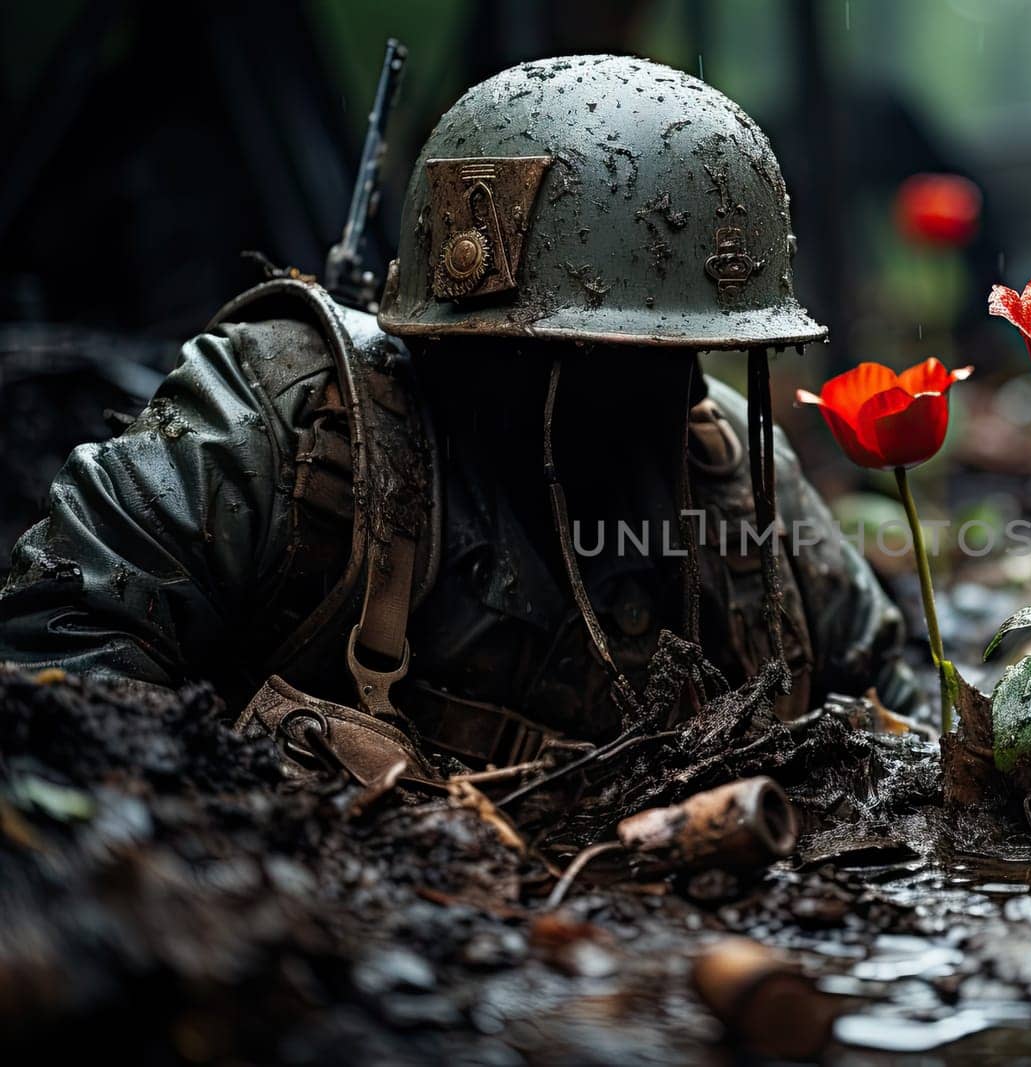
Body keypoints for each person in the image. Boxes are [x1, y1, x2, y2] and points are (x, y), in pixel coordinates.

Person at [0, 55, 913, 772]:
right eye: (605, 360)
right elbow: (55, 645)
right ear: (478, 340)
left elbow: (896, 691)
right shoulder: (286, 425)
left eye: (682, 358)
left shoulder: (723, 473)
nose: (658, 403)